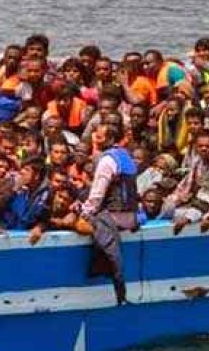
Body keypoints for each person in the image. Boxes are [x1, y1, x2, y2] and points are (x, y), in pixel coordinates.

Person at [79, 122, 139, 305]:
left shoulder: (107, 160)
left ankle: (105, 270)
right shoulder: (125, 155)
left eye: (100, 136)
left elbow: (97, 194)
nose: (96, 138)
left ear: (111, 139)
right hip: (132, 215)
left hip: (116, 216)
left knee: (85, 219)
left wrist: (85, 212)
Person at [1, 157, 53, 244]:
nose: (22, 172)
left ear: (37, 175)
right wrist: (14, 189)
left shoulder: (47, 194)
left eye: (27, 169)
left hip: (27, 242)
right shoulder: (11, 184)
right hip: (4, 238)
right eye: (22, 168)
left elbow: (47, 219)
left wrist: (39, 227)